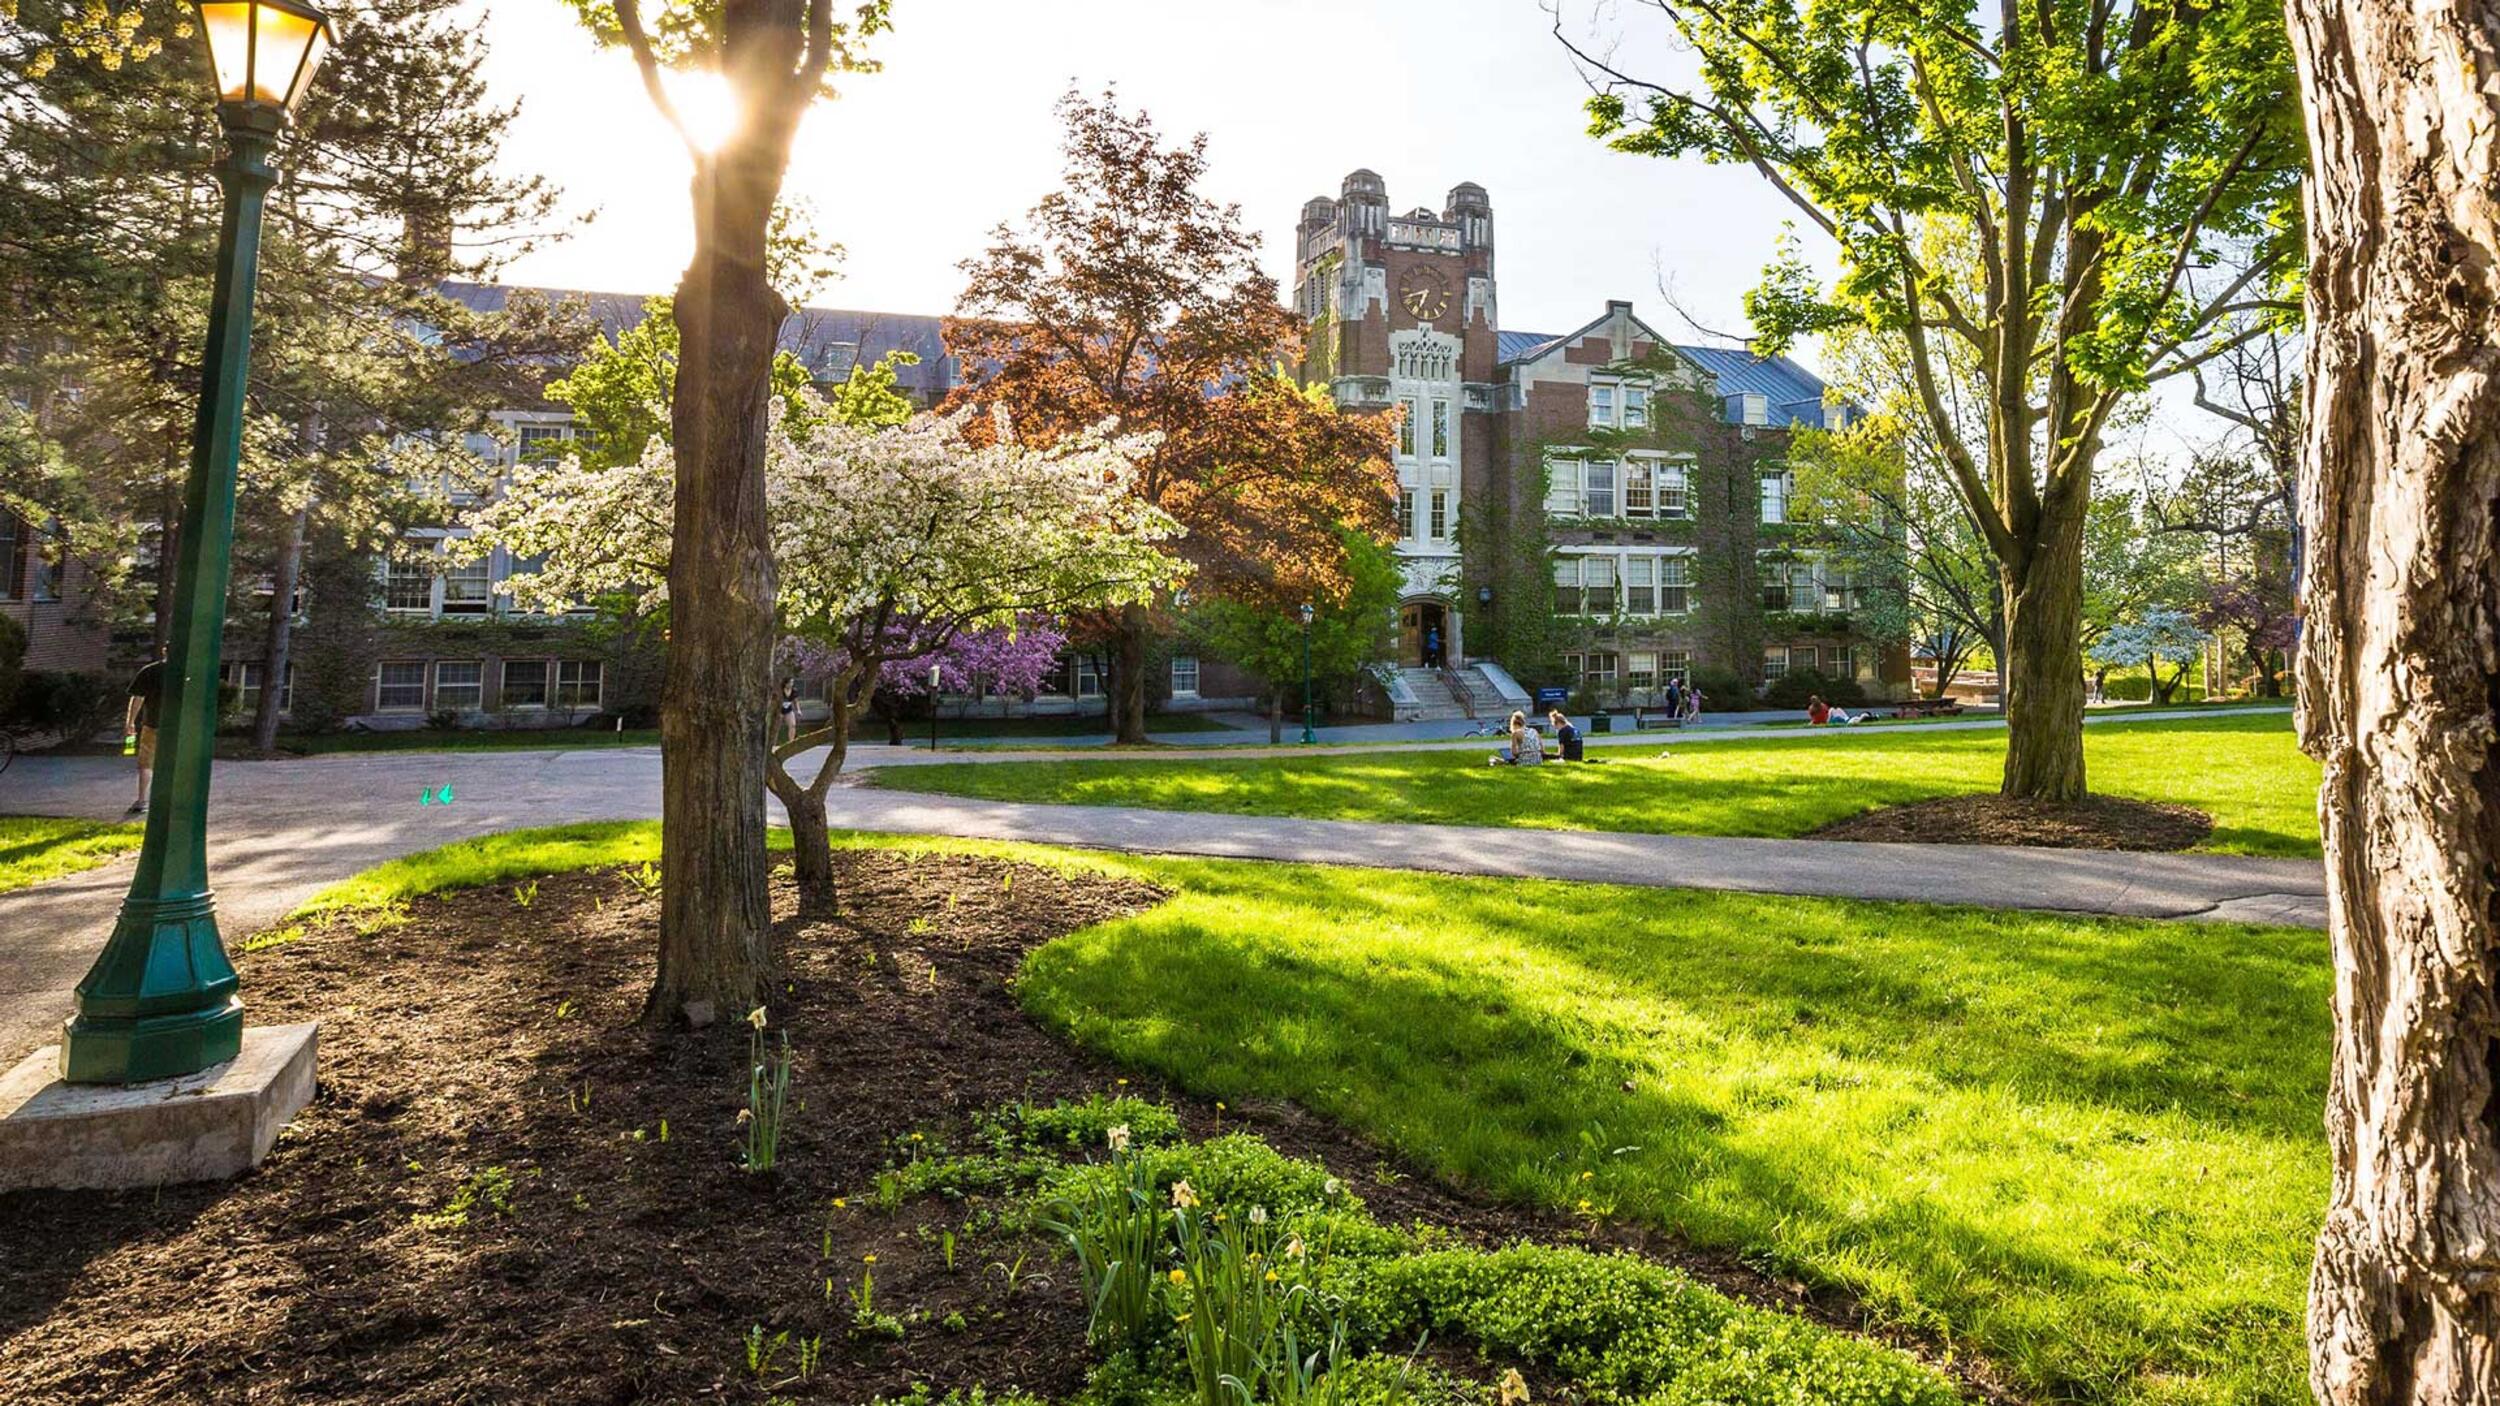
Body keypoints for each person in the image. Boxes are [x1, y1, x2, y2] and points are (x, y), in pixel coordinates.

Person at [124, 654, 165, 816]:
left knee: (146, 764)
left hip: (153, 724)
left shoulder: (150, 671)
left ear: (164, 651)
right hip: (178, 726)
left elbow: (138, 698)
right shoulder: (186, 672)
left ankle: (142, 801)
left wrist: (130, 722)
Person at [778, 677, 801, 744]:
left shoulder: (794, 690)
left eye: (792, 682)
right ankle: (772, 743)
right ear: (786, 683)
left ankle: (791, 742)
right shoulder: (780, 690)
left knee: (793, 725)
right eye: (790, 682)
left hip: (788, 710)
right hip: (779, 710)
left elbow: (796, 701)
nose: (791, 684)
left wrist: (798, 710)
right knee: (776, 727)